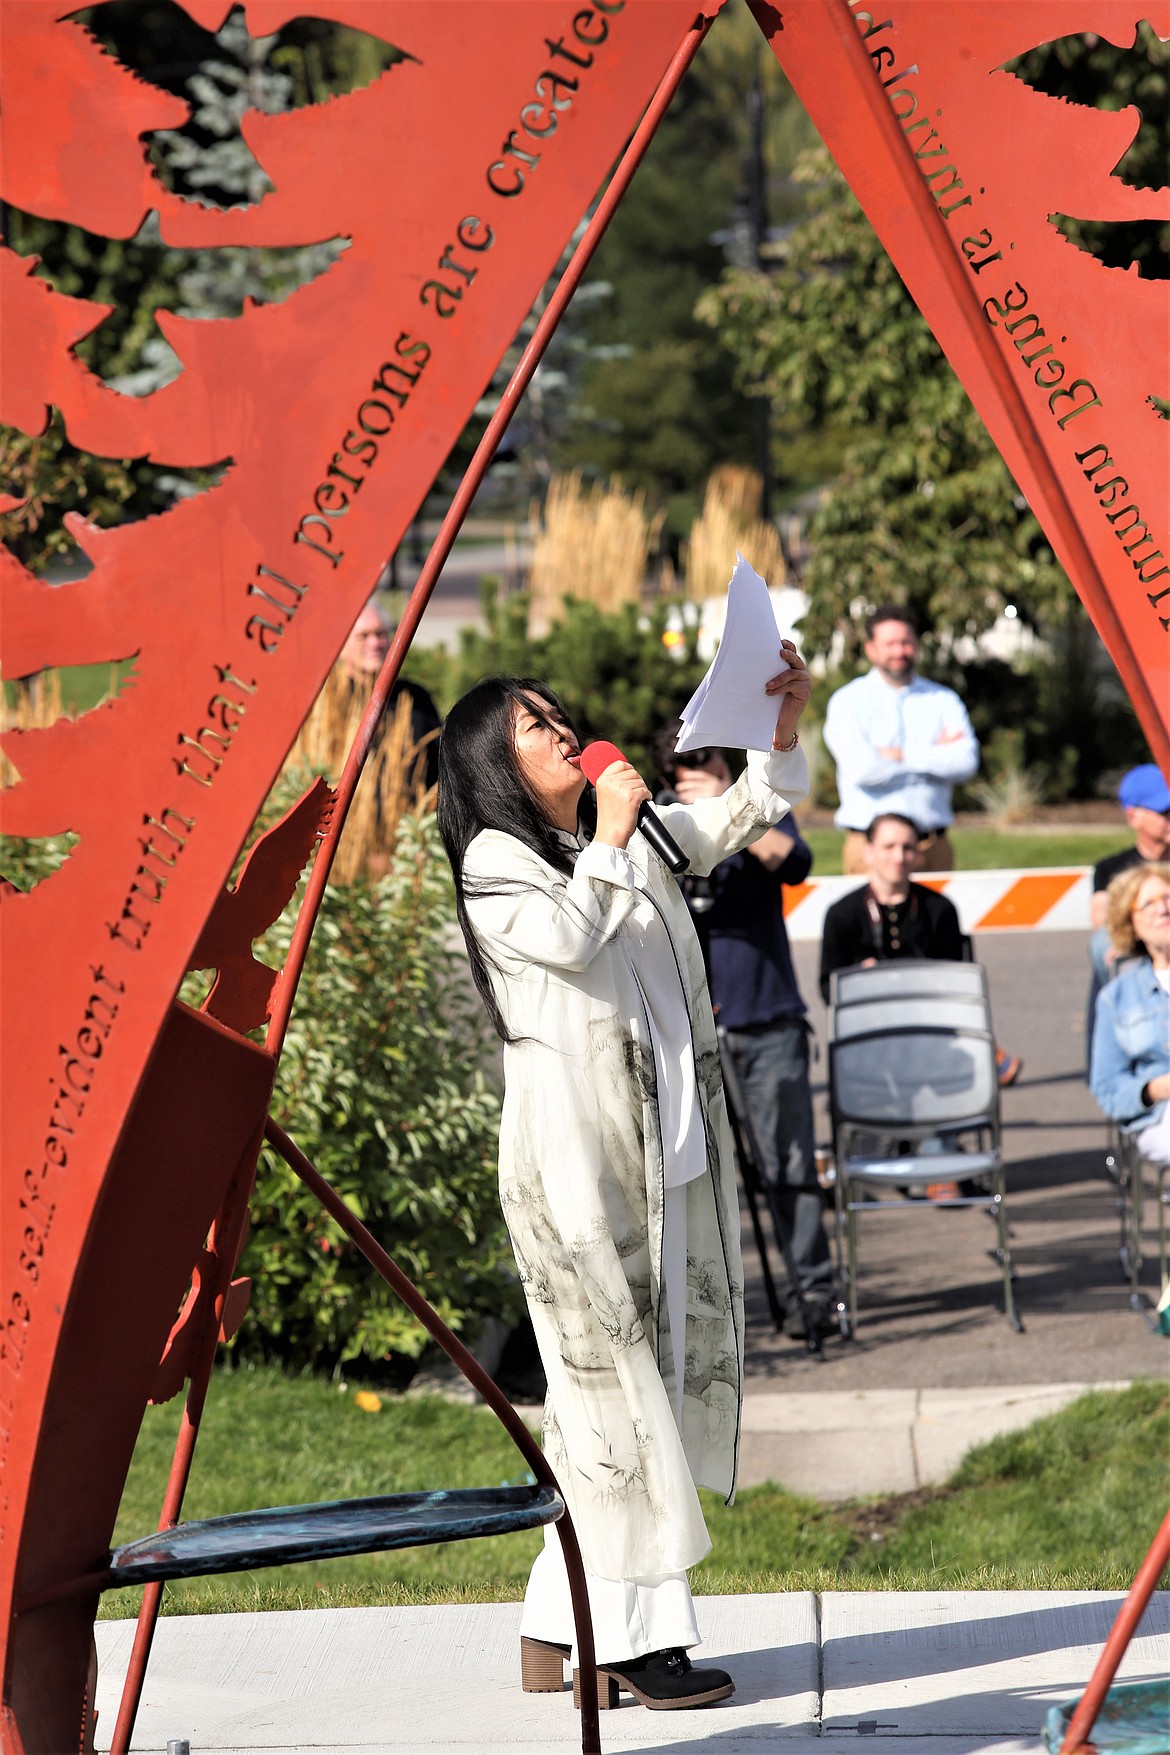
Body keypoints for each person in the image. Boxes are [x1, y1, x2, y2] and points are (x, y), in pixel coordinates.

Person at [437, 646, 811, 1711]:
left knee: (604, 1406)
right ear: (490, 766)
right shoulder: (500, 865)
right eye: (535, 727)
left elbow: (723, 827)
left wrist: (774, 739)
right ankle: (638, 1645)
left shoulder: (615, 836)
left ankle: (556, 1631)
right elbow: (567, 933)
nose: (563, 732)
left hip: (663, 1152)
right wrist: (608, 831)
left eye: (561, 716)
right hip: (578, 1176)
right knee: (623, 1406)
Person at [651, 725, 839, 1339]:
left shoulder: (754, 813)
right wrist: (684, 816)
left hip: (765, 1017)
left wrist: (724, 809)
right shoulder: (660, 825)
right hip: (688, 1031)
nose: (692, 777)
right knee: (694, 1175)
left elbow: (798, 865)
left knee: (788, 1163)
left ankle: (815, 1294)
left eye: (706, 766)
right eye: (683, 771)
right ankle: (714, 1312)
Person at [823, 605, 978, 876]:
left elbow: (965, 762)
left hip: (932, 847)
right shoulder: (848, 701)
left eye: (906, 642)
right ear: (871, 649)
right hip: (868, 851)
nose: (899, 651)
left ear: (916, 645)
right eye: (890, 644)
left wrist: (899, 755)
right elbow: (863, 771)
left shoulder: (943, 700)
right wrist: (934, 755)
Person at [1090, 862, 1170, 1170]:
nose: (1162, 910)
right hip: (1161, 1114)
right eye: (1148, 904)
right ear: (1131, 924)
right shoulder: (1117, 997)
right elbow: (1108, 1088)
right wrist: (1156, 1089)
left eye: (1167, 898)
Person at [1086, 766, 1170, 1053]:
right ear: (1133, 816)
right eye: (1164, 811)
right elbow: (1102, 923)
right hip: (1137, 984)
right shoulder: (1111, 870)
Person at [341, 598, 442, 788]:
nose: (375, 643)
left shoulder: (414, 698)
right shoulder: (330, 705)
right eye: (364, 636)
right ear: (342, 643)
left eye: (380, 634)